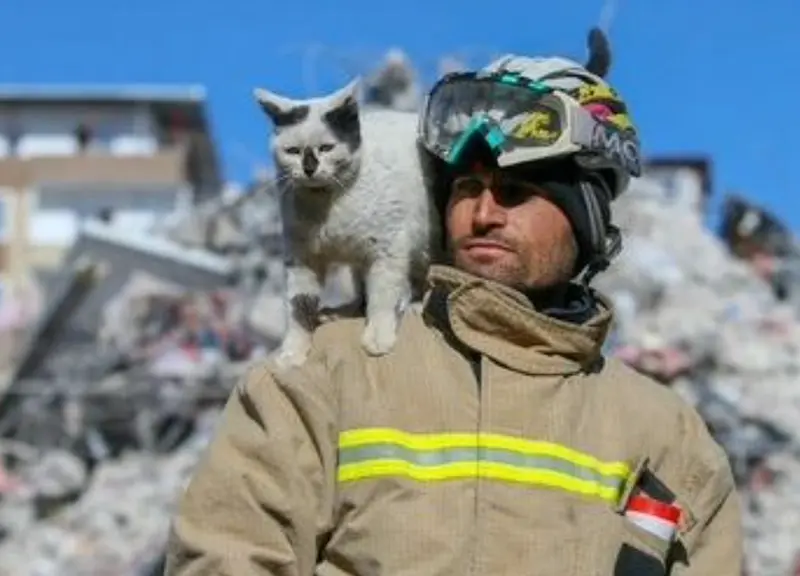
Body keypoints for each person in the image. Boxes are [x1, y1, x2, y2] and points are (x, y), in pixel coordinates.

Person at [165, 46, 742, 576]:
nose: (483, 214)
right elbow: (226, 556)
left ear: (587, 220)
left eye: (516, 193)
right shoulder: (321, 379)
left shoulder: (665, 436)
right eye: (466, 188)